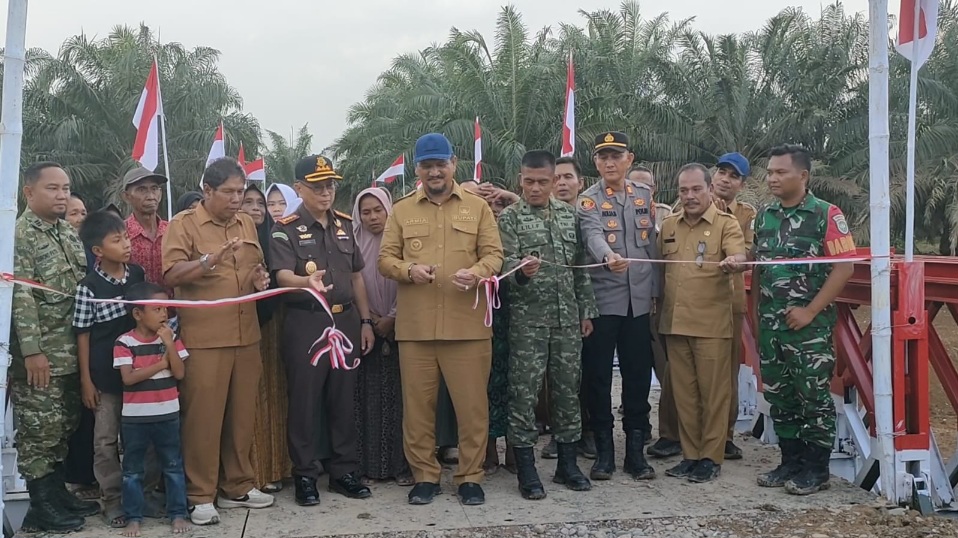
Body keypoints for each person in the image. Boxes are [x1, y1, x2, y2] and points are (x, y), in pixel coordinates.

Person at [379, 133, 503, 506]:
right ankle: (425, 475)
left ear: (454, 164)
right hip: (417, 329)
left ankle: (469, 476)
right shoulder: (402, 210)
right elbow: (385, 259)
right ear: (418, 169)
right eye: (427, 165)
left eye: (441, 164)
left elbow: (495, 254)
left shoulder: (477, 208)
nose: (435, 171)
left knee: (472, 408)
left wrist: (479, 272)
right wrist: (409, 269)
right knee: (417, 409)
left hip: (467, 326)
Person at [163, 157, 273, 525]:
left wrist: (260, 280)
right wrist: (208, 262)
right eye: (228, 192)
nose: (237, 199)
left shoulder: (245, 222)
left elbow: (254, 267)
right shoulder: (184, 225)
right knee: (203, 421)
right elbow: (171, 273)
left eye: (241, 191)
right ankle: (199, 495)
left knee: (242, 416)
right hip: (206, 338)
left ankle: (238, 486)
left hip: (246, 335)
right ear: (207, 190)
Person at [270, 155, 375, 506]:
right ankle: (305, 474)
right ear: (299, 188)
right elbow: (282, 275)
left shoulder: (344, 224)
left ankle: (344, 472)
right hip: (307, 321)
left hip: (345, 322)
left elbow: (357, 276)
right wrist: (306, 281)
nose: (326, 192)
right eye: (317, 186)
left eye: (330, 185)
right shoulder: (285, 227)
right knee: (305, 401)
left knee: (343, 399)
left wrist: (365, 320)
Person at [752, 144, 855, 495]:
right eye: (770, 172)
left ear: (803, 175)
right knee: (780, 397)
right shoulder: (764, 217)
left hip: (809, 329)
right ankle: (790, 461)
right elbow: (759, 273)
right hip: (771, 326)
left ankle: (816, 468)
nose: (773, 178)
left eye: (781, 172)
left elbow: (845, 266)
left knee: (813, 397)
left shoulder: (826, 215)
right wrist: (756, 320)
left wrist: (811, 310)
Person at [499, 150, 596, 500]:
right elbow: (503, 266)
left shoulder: (571, 217)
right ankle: (526, 470)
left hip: (567, 320)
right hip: (528, 323)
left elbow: (580, 269)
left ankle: (567, 465)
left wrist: (586, 311)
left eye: (543, 182)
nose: (535, 188)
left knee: (568, 391)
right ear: (520, 180)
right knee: (524, 393)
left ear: (555, 180)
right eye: (529, 182)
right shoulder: (510, 218)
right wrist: (520, 271)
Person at [12, 162, 96, 533]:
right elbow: (21, 295)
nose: (62, 195)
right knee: (39, 429)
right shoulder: (20, 235)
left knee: (64, 425)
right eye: (53, 188)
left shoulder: (66, 231)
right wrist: (31, 351)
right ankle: (39, 506)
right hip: (41, 354)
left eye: (66, 188)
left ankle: (57, 493)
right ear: (29, 192)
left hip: (70, 348)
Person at [657, 164, 747, 484]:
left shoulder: (727, 224)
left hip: (711, 325)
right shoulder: (668, 226)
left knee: (714, 395)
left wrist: (733, 261)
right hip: (675, 324)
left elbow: (739, 255)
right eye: (684, 191)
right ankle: (690, 455)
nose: (690, 196)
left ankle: (711, 457)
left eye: (697, 189)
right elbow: (657, 272)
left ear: (710, 189)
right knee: (684, 395)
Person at [577, 132, 658, 482]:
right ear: (595, 162)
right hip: (603, 301)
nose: (609, 162)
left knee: (637, 377)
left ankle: (636, 454)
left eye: (616, 155)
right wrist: (607, 256)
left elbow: (652, 248)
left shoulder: (644, 196)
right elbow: (593, 235)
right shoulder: (588, 201)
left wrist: (655, 293)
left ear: (629, 159)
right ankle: (605, 453)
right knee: (597, 378)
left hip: (639, 303)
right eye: (602, 157)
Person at [74, 211, 147, 528]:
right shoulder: (87, 288)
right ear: (98, 251)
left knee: (138, 438)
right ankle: (113, 500)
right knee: (104, 442)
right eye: (117, 240)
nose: (126, 244)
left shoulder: (137, 276)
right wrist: (86, 381)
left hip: (137, 374)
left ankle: (140, 497)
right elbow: (83, 334)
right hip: (104, 377)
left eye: (126, 237)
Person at [113, 282, 191, 536]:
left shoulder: (172, 338)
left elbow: (179, 372)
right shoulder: (124, 342)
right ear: (137, 313)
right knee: (133, 470)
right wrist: (160, 365)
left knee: (172, 466)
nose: (163, 314)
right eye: (156, 309)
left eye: (166, 309)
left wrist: (169, 345)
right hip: (135, 418)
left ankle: (178, 513)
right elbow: (129, 378)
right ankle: (133, 517)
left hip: (167, 414)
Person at [351, 187, 413, 486]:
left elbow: (411, 280)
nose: (373, 217)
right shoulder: (351, 243)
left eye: (378, 209)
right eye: (366, 211)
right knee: (367, 400)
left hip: (402, 327)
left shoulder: (403, 240)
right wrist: (370, 319)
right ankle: (370, 468)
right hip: (366, 330)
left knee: (404, 401)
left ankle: (402, 466)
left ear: (389, 209)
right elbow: (351, 282)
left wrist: (393, 316)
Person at [542, 156, 596, 461]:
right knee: (557, 376)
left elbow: (580, 268)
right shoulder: (542, 215)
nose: (562, 183)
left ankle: (586, 432)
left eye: (567, 177)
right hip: (551, 310)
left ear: (580, 183)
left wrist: (585, 310)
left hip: (587, 304)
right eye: (557, 178)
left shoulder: (586, 214)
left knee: (587, 373)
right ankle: (559, 434)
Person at [241, 184, 292, 494]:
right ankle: (253, 473)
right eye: (249, 202)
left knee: (276, 395)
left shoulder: (277, 239)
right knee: (251, 400)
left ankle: (279, 466)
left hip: (276, 327)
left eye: (261, 203)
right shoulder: (234, 243)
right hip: (243, 325)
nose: (257, 208)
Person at [711, 152, 757, 460]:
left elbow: (751, 251)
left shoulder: (746, 214)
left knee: (725, 372)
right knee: (680, 371)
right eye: (722, 172)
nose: (725, 179)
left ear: (741, 184)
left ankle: (723, 436)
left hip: (728, 301)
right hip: (688, 302)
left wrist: (736, 260)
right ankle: (675, 434)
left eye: (733, 176)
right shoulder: (685, 204)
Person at [122, 167, 169, 289]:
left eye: (154, 189)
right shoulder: (119, 233)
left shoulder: (173, 230)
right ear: (126, 197)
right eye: (142, 189)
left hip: (172, 306)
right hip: (134, 306)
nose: (151, 196)